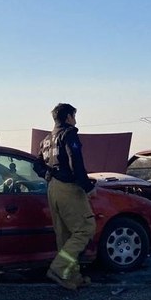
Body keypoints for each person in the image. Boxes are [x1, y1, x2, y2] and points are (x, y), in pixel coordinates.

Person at [34, 103, 96, 290]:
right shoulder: (68, 134)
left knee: (64, 234)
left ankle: (71, 276)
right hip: (69, 188)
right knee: (85, 228)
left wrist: (48, 174)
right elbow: (75, 161)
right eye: (74, 115)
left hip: (53, 188)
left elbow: (37, 165)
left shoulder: (46, 139)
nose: (75, 119)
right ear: (68, 117)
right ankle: (59, 268)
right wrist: (87, 186)